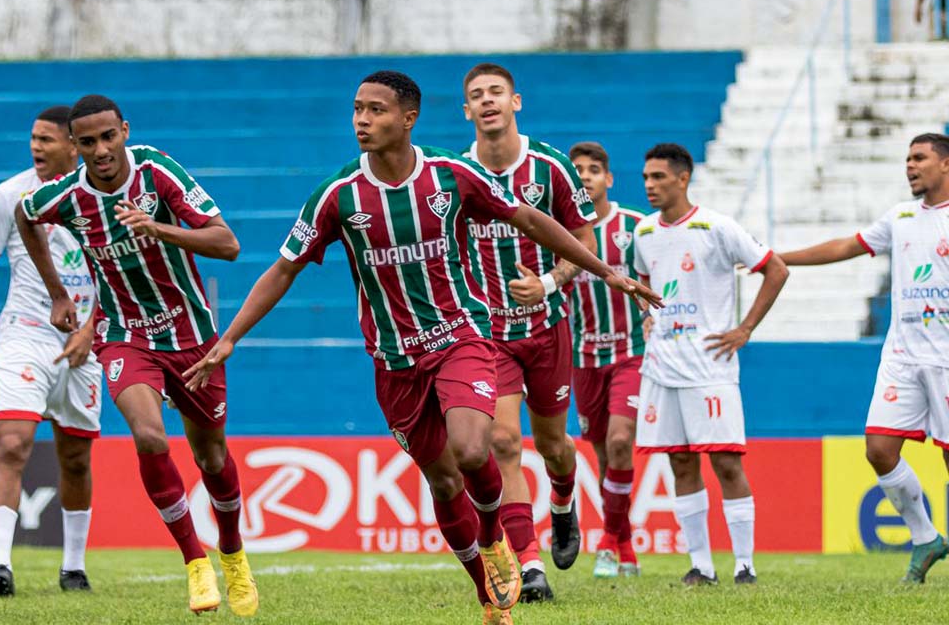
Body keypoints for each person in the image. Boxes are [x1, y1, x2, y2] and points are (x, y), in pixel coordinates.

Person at [182, 71, 660, 625]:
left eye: (376, 110)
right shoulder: (339, 195)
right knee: (442, 479)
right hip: (395, 362)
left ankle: (494, 538)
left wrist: (608, 274)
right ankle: (489, 594)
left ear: (408, 119)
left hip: (462, 338)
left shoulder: (453, 176)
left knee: (478, 449)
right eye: (358, 109)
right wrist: (231, 337)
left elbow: (529, 218)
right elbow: (284, 269)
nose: (362, 120)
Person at [15, 95, 258, 616]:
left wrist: (158, 228)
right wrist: (59, 293)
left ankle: (233, 554)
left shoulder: (157, 172)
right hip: (126, 335)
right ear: (75, 147)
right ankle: (196, 563)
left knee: (211, 456)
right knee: (148, 436)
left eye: (109, 137)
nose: (101, 150)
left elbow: (227, 244)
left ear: (124, 130)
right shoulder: (70, 196)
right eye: (88, 142)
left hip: (191, 336)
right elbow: (24, 213)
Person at [779, 132, 949, 584]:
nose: (910, 166)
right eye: (907, 158)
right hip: (903, 357)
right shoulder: (901, 216)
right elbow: (845, 247)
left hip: (947, 359)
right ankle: (926, 537)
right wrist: (777, 257)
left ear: (946, 165)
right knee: (878, 448)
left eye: (920, 158)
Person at [462, 63, 597, 602]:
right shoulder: (454, 174)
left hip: (546, 327)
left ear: (516, 102)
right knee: (501, 442)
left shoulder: (550, 167)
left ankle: (563, 505)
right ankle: (530, 564)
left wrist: (549, 280)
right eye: (477, 95)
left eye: (497, 92)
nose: (488, 101)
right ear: (466, 111)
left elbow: (583, 235)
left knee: (553, 445)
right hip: (487, 332)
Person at [633, 143, 788, 586]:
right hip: (662, 366)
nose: (650, 185)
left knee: (725, 462)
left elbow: (775, 268)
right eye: (646, 178)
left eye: (659, 177)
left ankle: (744, 565)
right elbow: (646, 280)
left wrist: (745, 328)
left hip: (710, 367)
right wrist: (648, 315)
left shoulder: (717, 227)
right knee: (680, 462)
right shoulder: (644, 232)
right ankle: (700, 565)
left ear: (683, 178)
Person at [0, 106, 100, 596]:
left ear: (74, 146)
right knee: (12, 444)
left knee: (75, 458)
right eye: (33, 138)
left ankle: (73, 567)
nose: (36, 147)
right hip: (24, 333)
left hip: (85, 342)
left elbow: (122, 277)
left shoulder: (101, 198)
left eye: (47, 141)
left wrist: (92, 330)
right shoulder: (7, 196)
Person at [566, 142, 645, 579]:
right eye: (577, 169)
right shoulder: (558, 232)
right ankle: (624, 542)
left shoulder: (634, 227)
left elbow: (660, 278)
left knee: (619, 442)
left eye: (593, 169)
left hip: (630, 354)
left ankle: (608, 545)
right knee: (602, 455)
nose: (585, 176)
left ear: (608, 179)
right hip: (583, 358)